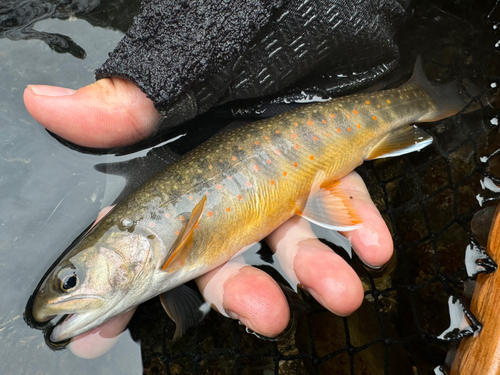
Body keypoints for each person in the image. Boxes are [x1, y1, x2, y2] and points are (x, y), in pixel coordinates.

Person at [23, 0, 405, 359]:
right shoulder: (156, 264)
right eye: (68, 283)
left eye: (70, 281)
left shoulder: (163, 255)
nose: (58, 301)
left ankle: (419, 99)